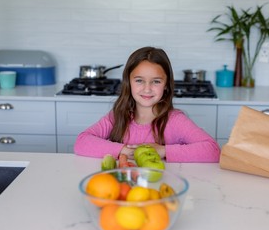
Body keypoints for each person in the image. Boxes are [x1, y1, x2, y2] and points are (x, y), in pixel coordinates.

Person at [74, 46, 220, 162]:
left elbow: (213, 150)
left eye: (156, 81)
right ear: (128, 82)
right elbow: (81, 142)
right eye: (139, 80)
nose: (147, 88)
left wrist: (162, 151)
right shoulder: (117, 116)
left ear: (166, 85)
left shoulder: (175, 121)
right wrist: (125, 150)